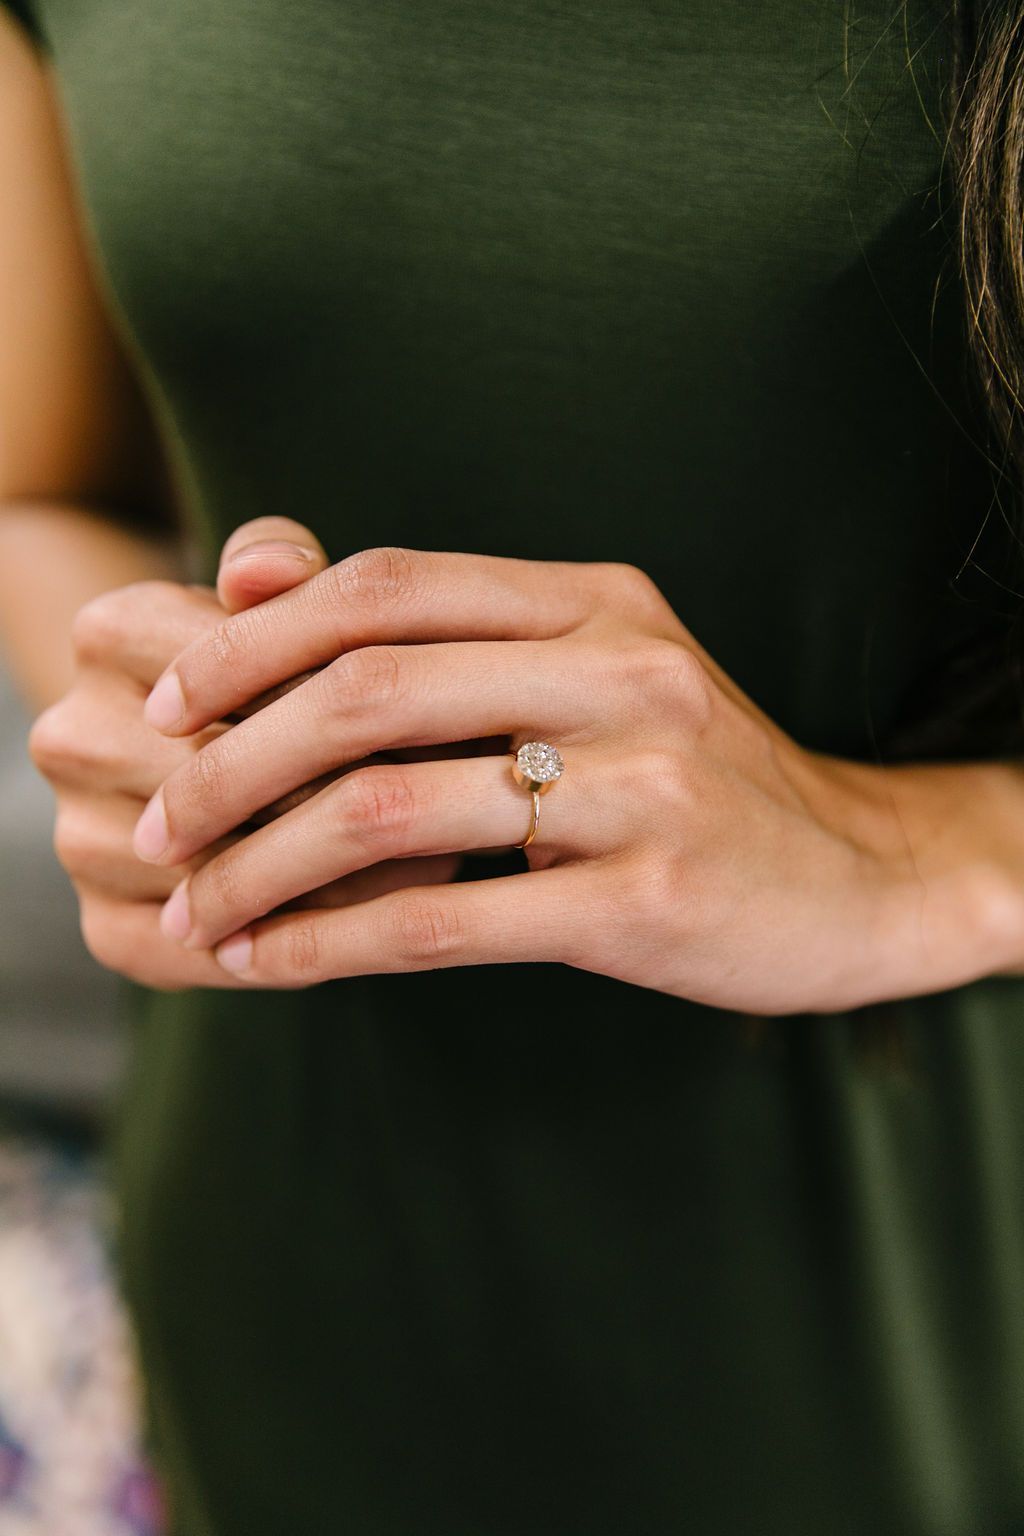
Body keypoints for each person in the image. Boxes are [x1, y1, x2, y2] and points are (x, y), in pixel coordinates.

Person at [2, 0, 1024, 1530]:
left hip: (929, 1293)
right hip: (293, 1254)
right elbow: (47, 488)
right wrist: (158, 721)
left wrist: (909, 851)